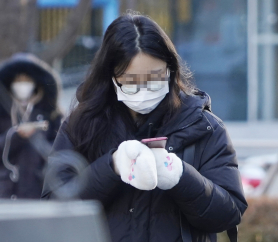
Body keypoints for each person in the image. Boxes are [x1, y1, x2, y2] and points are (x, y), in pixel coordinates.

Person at [41, 13, 247, 242]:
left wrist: (181, 176)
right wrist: (111, 166)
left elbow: (229, 214)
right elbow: (54, 207)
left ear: (170, 70)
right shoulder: (81, 126)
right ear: (111, 77)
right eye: (130, 81)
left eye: (154, 77)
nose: (143, 89)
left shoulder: (204, 128)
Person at [0, 53, 62, 199]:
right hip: (3, 193)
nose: (22, 85)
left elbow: (60, 151)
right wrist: (16, 135)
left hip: (37, 192)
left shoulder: (51, 114)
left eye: (27, 80)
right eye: (18, 80)